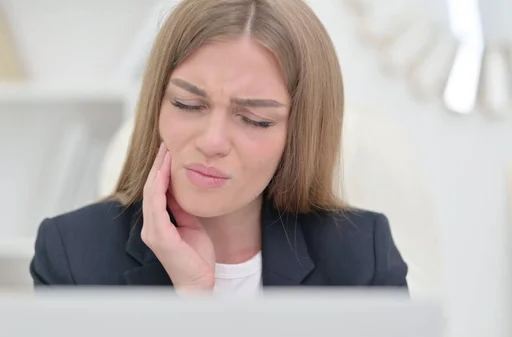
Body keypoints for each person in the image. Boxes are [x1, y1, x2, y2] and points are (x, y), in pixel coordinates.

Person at [29, 0, 408, 297]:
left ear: (298, 134)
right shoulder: (72, 253)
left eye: (255, 120)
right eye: (188, 105)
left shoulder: (361, 257)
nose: (212, 142)